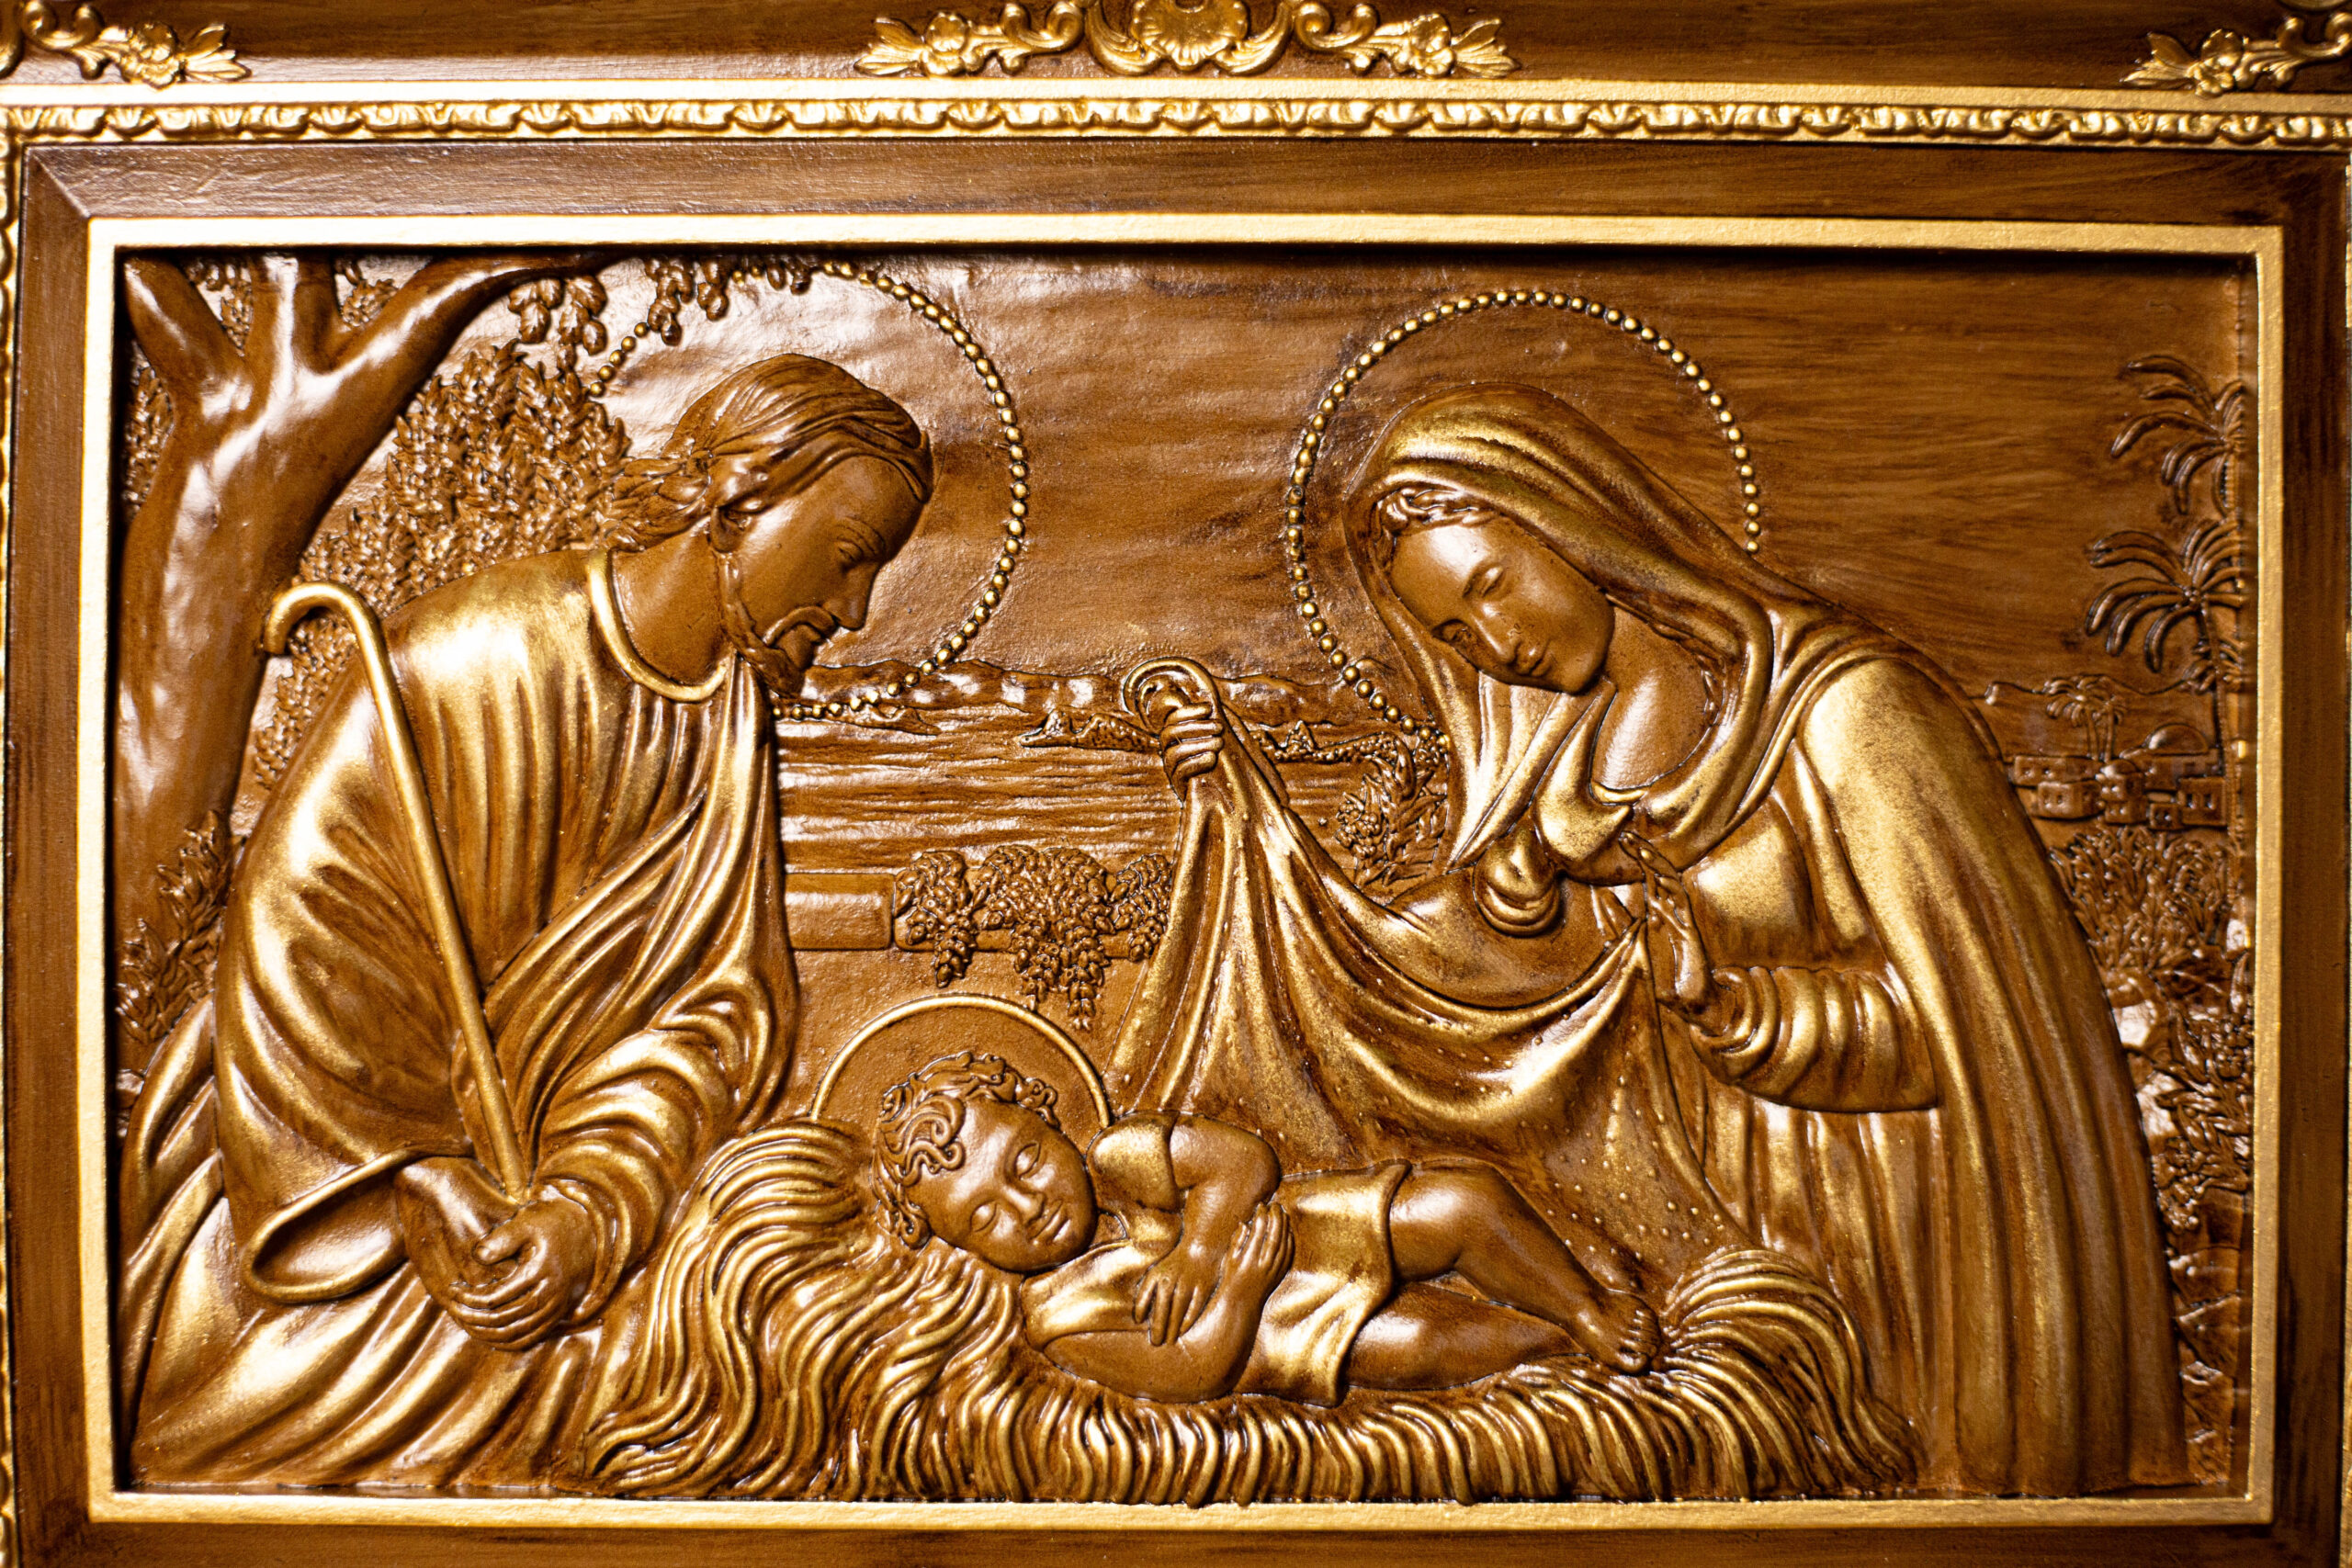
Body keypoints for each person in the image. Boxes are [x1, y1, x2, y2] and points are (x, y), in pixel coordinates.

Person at [1118, 381, 2184, 1495]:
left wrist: (1735, 1008)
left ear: (1576, 527)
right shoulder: (1556, 797)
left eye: (1492, 585)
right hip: (1720, 1239)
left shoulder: (1849, 716)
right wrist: (1246, 810)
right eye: (1453, 634)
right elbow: (1435, 980)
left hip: (1893, 1220)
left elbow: (1970, 1038)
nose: (1497, 646)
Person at [119, 354, 933, 1487]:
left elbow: (712, 1018)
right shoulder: (473, 657)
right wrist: (415, 1176)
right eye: (848, 558)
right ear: (736, 502)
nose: (854, 613)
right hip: (344, 1193)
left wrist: (590, 1207)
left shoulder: (726, 721)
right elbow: (302, 944)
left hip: (563, 1219)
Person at [873, 1050, 1659, 1405]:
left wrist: (1200, 1248)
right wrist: (1241, 1288)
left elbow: (1242, 1160)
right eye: (984, 1216)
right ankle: (1556, 1340)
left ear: (1047, 1117)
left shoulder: (1118, 1157)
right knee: (1425, 1340)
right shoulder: (1059, 1316)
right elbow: (1188, 1370)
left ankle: (1585, 1304)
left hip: (1318, 1230)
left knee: (1464, 1201)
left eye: (1026, 1162)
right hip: (1282, 1331)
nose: (1027, 1207)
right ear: (962, 1245)